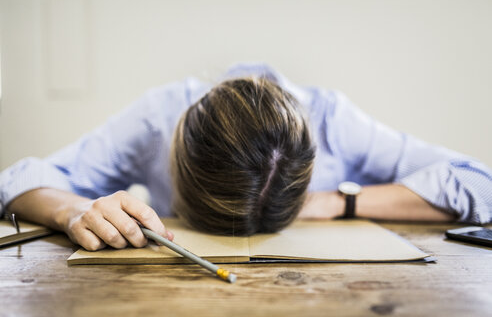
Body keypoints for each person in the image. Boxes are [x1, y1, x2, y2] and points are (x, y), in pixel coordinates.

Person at [1, 63, 491, 251]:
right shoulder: (159, 116)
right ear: (177, 149)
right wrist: (73, 209)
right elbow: (18, 179)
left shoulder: (331, 118)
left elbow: (481, 183)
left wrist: (337, 203)